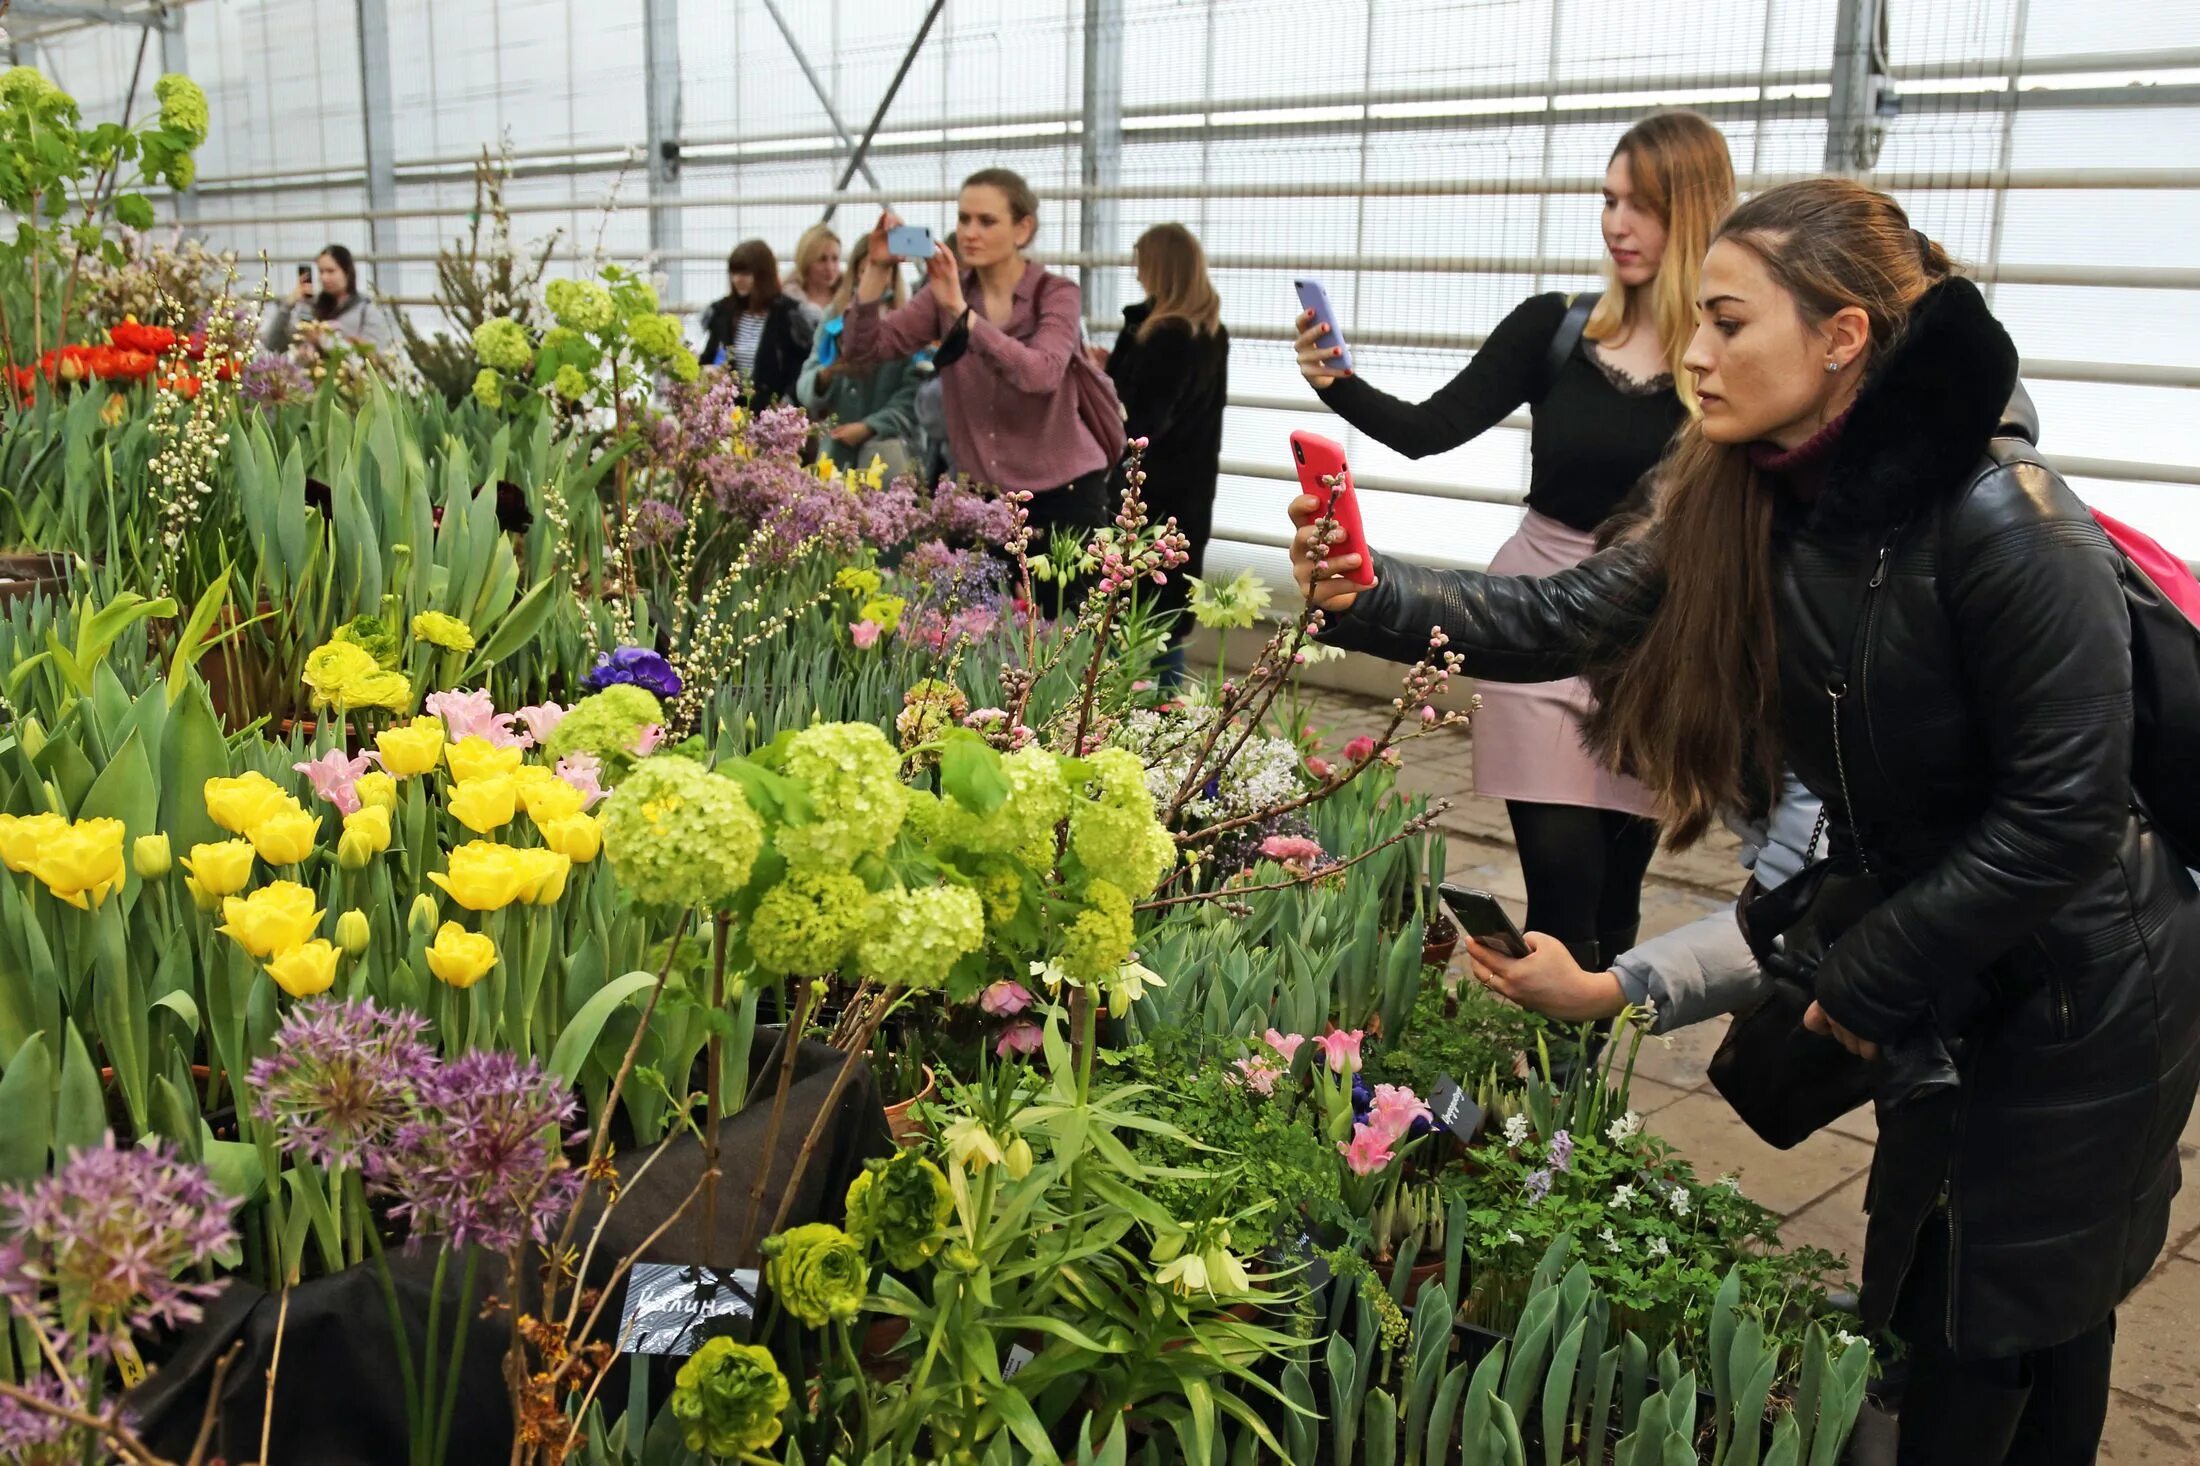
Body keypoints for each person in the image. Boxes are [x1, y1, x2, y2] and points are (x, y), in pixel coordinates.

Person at [1293, 176, 2200, 1463]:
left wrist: (1865, 980)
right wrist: (1366, 592)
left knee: (2006, 1306)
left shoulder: (2006, 522)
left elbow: (2060, 817)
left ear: (1840, 338)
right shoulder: (1757, 493)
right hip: (1958, 963)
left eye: (1727, 322)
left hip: (2085, 992)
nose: (1696, 355)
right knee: (1965, 1286)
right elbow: (1562, 616)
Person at [1294, 111, 1735, 976]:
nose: (1617, 224)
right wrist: (1337, 384)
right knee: (1564, 893)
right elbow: (1431, 431)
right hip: (1530, 613)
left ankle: (1579, 1079)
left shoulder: (1721, 363)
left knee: (1617, 895)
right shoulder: (1556, 327)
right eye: (1609, 200)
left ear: (1696, 213)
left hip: (1651, 637)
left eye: (1643, 206)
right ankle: (1556, 1077)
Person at [841, 168, 1121, 560]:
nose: (970, 232)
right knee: (971, 621)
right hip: (981, 501)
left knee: (1065, 620)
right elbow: (861, 350)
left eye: (987, 221)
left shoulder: (1056, 294)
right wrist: (877, 269)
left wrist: (961, 312)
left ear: (1022, 230)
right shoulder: (945, 291)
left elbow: (1039, 373)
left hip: (1063, 494)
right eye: (963, 219)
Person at [1095, 222, 1228, 679]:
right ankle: (1164, 713)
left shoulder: (1166, 336)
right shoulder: (1209, 330)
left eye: (1141, 264)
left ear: (1160, 268)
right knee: (1166, 617)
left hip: (1151, 496)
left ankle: (1130, 714)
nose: (1136, 274)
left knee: (1133, 614)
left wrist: (1110, 382)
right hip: (1189, 493)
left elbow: (1142, 418)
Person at [797, 261, 922, 479]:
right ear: (855, 275)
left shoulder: (907, 321)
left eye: (881, 270)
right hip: (836, 452)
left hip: (888, 454)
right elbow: (807, 379)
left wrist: (870, 426)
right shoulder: (834, 316)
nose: (872, 280)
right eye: (865, 272)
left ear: (893, 275)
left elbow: (913, 392)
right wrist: (828, 373)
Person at [698, 240, 813, 405]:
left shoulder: (788, 315)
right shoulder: (723, 313)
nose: (737, 280)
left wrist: (786, 404)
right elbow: (710, 356)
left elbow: (801, 367)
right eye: (734, 273)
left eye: (745, 274)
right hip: (730, 415)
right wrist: (708, 372)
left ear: (763, 275)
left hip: (775, 416)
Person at [260, 244, 399, 356]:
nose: (324, 278)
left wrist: (323, 340)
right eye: (321, 272)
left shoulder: (365, 309)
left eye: (331, 271)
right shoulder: (311, 307)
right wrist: (288, 305)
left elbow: (375, 353)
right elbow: (272, 344)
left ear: (347, 272)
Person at [791, 223, 844, 330]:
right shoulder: (789, 302)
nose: (829, 267)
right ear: (806, 261)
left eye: (835, 259)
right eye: (822, 259)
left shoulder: (851, 297)